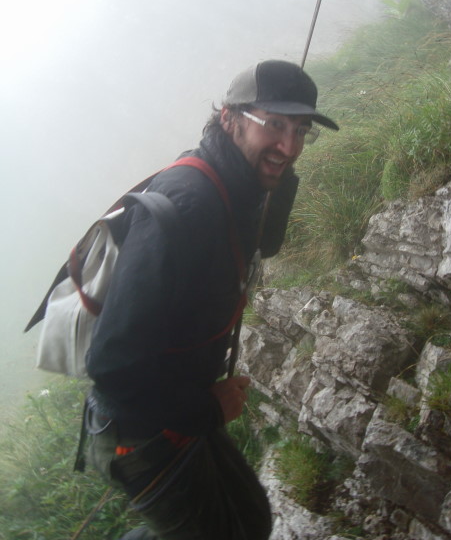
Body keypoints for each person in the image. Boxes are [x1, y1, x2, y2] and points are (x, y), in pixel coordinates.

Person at [85, 59, 339, 539]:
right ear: (230, 118)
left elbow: (264, 245)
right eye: (275, 125)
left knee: (251, 520)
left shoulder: (236, 184)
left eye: (301, 131)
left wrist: (276, 174)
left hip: (178, 403)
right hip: (140, 430)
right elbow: (111, 366)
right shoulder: (190, 203)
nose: (290, 146)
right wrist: (208, 411)